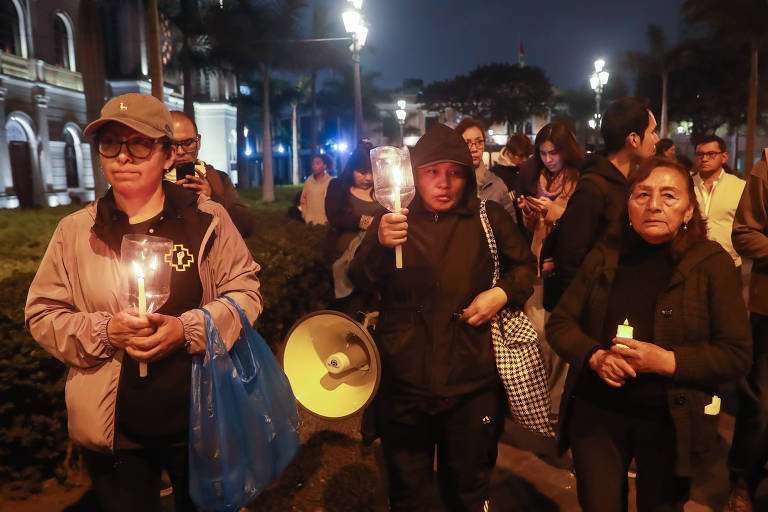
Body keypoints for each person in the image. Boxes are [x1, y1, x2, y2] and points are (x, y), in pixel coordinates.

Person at [24, 93, 262, 512]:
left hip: (199, 418)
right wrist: (105, 330)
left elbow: (245, 292)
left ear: (168, 155)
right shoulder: (76, 232)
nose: (124, 157)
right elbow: (43, 314)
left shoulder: (207, 219)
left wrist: (187, 329)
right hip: (115, 430)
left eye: (139, 144)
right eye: (111, 144)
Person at [547, 157, 751, 512]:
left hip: (670, 420)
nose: (654, 205)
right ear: (628, 206)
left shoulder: (712, 265)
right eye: (642, 195)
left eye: (669, 196)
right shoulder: (604, 255)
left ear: (689, 210)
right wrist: (595, 357)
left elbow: (736, 354)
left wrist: (668, 361)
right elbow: (561, 324)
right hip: (598, 411)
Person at [350, 123, 536, 511]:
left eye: (454, 173)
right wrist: (380, 246)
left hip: (470, 381)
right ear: (414, 174)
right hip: (404, 382)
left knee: (468, 488)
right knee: (408, 491)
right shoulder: (393, 218)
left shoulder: (489, 218)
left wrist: (498, 294)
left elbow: (523, 269)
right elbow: (360, 280)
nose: (444, 183)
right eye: (432, 172)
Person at [550, 97, 659, 309]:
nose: (656, 139)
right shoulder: (594, 188)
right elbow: (569, 258)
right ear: (634, 139)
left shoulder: (628, 183)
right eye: (652, 131)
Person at [515, 121, 584, 416]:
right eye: (542, 153)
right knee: (536, 332)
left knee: (559, 333)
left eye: (553, 152)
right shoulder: (537, 177)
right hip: (537, 261)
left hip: (565, 267)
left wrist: (556, 212)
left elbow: (581, 224)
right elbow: (533, 229)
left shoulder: (580, 180)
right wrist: (530, 214)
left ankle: (556, 403)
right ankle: (536, 399)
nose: (548, 159)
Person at [724, 148, 768, 512]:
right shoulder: (765, 168)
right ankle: (742, 480)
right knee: (761, 406)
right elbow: (745, 233)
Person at [166, 110, 254, 238]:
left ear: (199, 141)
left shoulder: (217, 178)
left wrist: (212, 197)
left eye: (187, 143)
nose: (180, 151)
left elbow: (245, 227)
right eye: (171, 144)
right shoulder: (153, 181)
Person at [692, 134, 745, 267]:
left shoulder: (740, 187)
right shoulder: (686, 185)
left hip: (729, 261)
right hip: (692, 260)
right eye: (700, 154)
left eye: (711, 154)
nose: (704, 159)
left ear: (724, 157)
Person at [324, 142, 382, 260]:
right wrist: (369, 222)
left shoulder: (383, 189)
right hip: (345, 256)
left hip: (377, 257)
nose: (368, 178)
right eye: (362, 172)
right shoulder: (338, 187)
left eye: (372, 172)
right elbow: (335, 218)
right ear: (351, 169)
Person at [455, 118, 517, 217]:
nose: (474, 149)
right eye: (467, 143)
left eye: (479, 142)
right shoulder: (448, 184)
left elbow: (510, 226)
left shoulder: (497, 186)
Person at [300, 154, 333, 225]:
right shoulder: (308, 181)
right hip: (310, 222)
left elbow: (334, 203)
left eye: (317, 163)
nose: (314, 166)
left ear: (325, 166)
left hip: (326, 223)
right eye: (313, 164)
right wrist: (305, 215)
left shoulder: (331, 182)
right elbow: (303, 200)